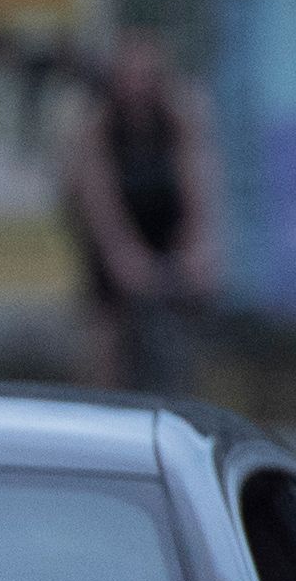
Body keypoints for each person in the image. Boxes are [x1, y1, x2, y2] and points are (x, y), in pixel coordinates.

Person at [66, 27, 221, 395]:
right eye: (129, 77)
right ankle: (105, 396)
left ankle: (186, 394)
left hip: (164, 229)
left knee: (186, 321)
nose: (137, 88)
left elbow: (197, 196)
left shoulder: (179, 123)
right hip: (114, 239)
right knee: (108, 331)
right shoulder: (98, 131)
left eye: (146, 77)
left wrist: (195, 251)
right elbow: (103, 212)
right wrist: (126, 260)